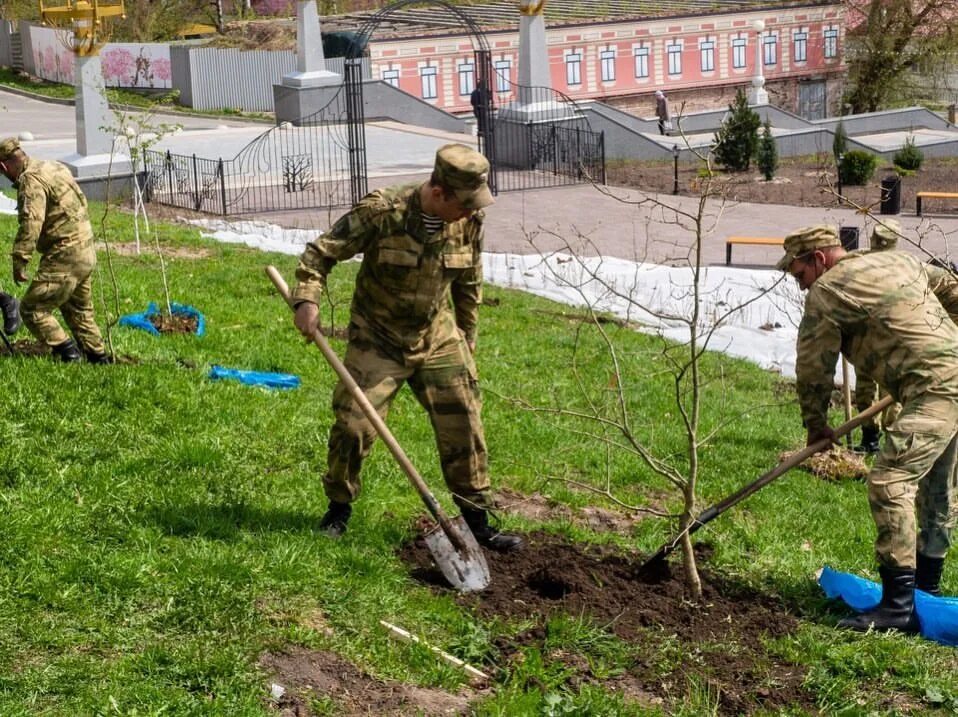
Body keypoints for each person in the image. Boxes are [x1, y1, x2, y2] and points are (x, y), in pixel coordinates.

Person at [290, 143, 522, 551]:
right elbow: (320, 253)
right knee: (353, 425)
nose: (470, 211)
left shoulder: (468, 221)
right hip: (378, 337)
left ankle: (477, 520)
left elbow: (469, 279)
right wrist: (306, 298)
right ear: (438, 192)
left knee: (464, 422)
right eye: (464, 203)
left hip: (436, 334)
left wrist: (468, 335)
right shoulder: (382, 213)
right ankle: (338, 509)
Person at [779, 224, 958, 632]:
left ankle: (897, 608)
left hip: (934, 390)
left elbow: (813, 370)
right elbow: (951, 288)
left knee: (890, 480)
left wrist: (815, 425)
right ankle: (923, 593)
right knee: (936, 488)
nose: (802, 286)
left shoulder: (827, 294)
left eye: (800, 275)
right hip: (946, 381)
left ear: (819, 259)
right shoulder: (898, 260)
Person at [0, 137, 111, 363]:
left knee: (32, 309)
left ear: (4, 166)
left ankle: (68, 353)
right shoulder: (53, 166)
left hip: (65, 254)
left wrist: (20, 259)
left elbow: (32, 222)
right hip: (86, 248)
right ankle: (99, 357)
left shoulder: (30, 181)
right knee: (79, 311)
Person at [853, 219, 903, 453]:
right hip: (865, 335)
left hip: (892, 338)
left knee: (892, 391)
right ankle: (870, 437)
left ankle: (892, 440)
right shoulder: (860, 262)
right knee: (865, 386)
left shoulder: (903, 267)